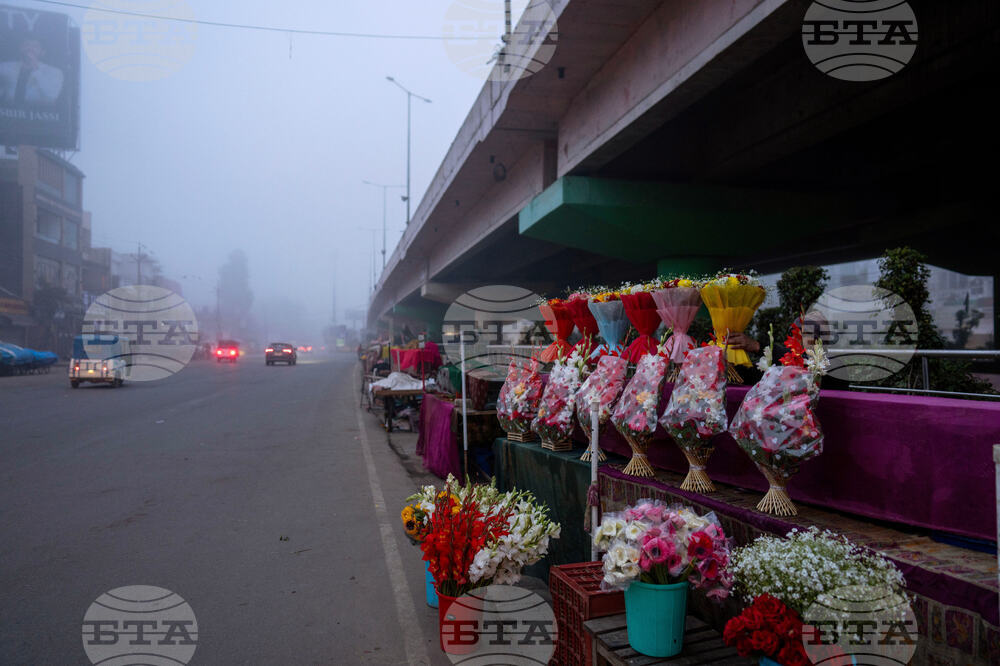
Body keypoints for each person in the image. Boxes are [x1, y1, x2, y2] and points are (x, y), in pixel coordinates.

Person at [0, 38, 64, 107]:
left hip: (39, 113)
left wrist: (36, 69)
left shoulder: (54, 71)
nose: (30, 48)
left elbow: (51, 95)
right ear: (20, 48)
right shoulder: (4, 67)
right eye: (26, 44)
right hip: (10, 112)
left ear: (43, 52)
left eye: (35, 46)